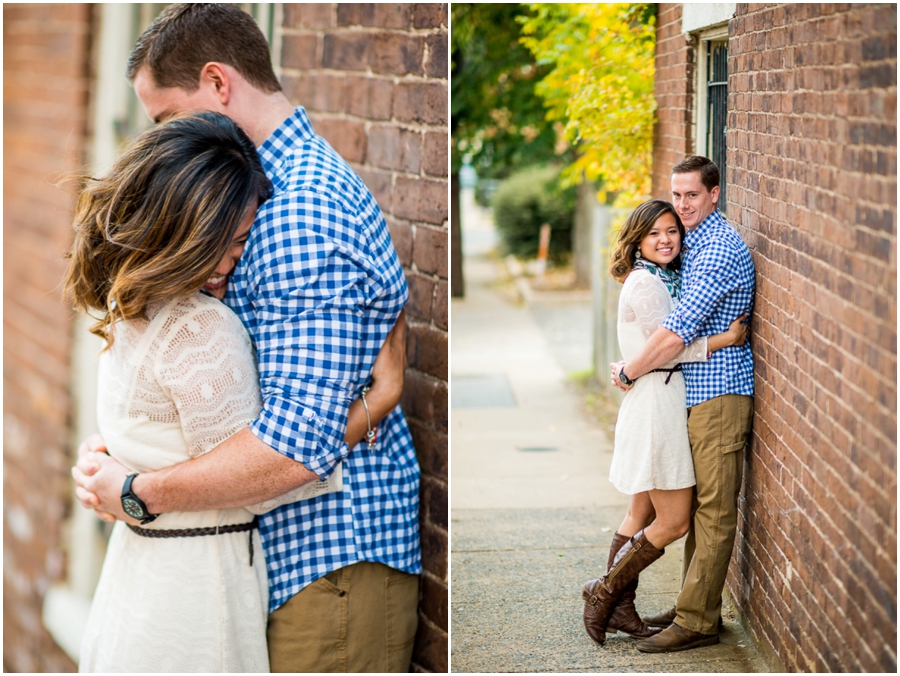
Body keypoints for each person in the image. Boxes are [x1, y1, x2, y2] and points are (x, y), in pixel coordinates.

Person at [72, 4, 422, 672]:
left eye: (166, 119)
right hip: (276, 561)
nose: (159, 147)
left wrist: (139, 489)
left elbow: (293, 450)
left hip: (328, 569)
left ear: (217, 83)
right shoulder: (259, 196)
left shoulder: (297, 215)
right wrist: (131, 446)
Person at [581, 199, 747, 646]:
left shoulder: (660, 277)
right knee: (675, 522)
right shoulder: (649, 285)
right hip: (659, 401)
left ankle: (621, 610)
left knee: (641, 511)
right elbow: (669, 345)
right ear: (637, 240)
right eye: (654, 233)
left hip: (657, 394)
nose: (665, 239)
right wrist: (725, 339)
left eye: (672, 231)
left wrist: (629, 367)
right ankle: (604, 593)